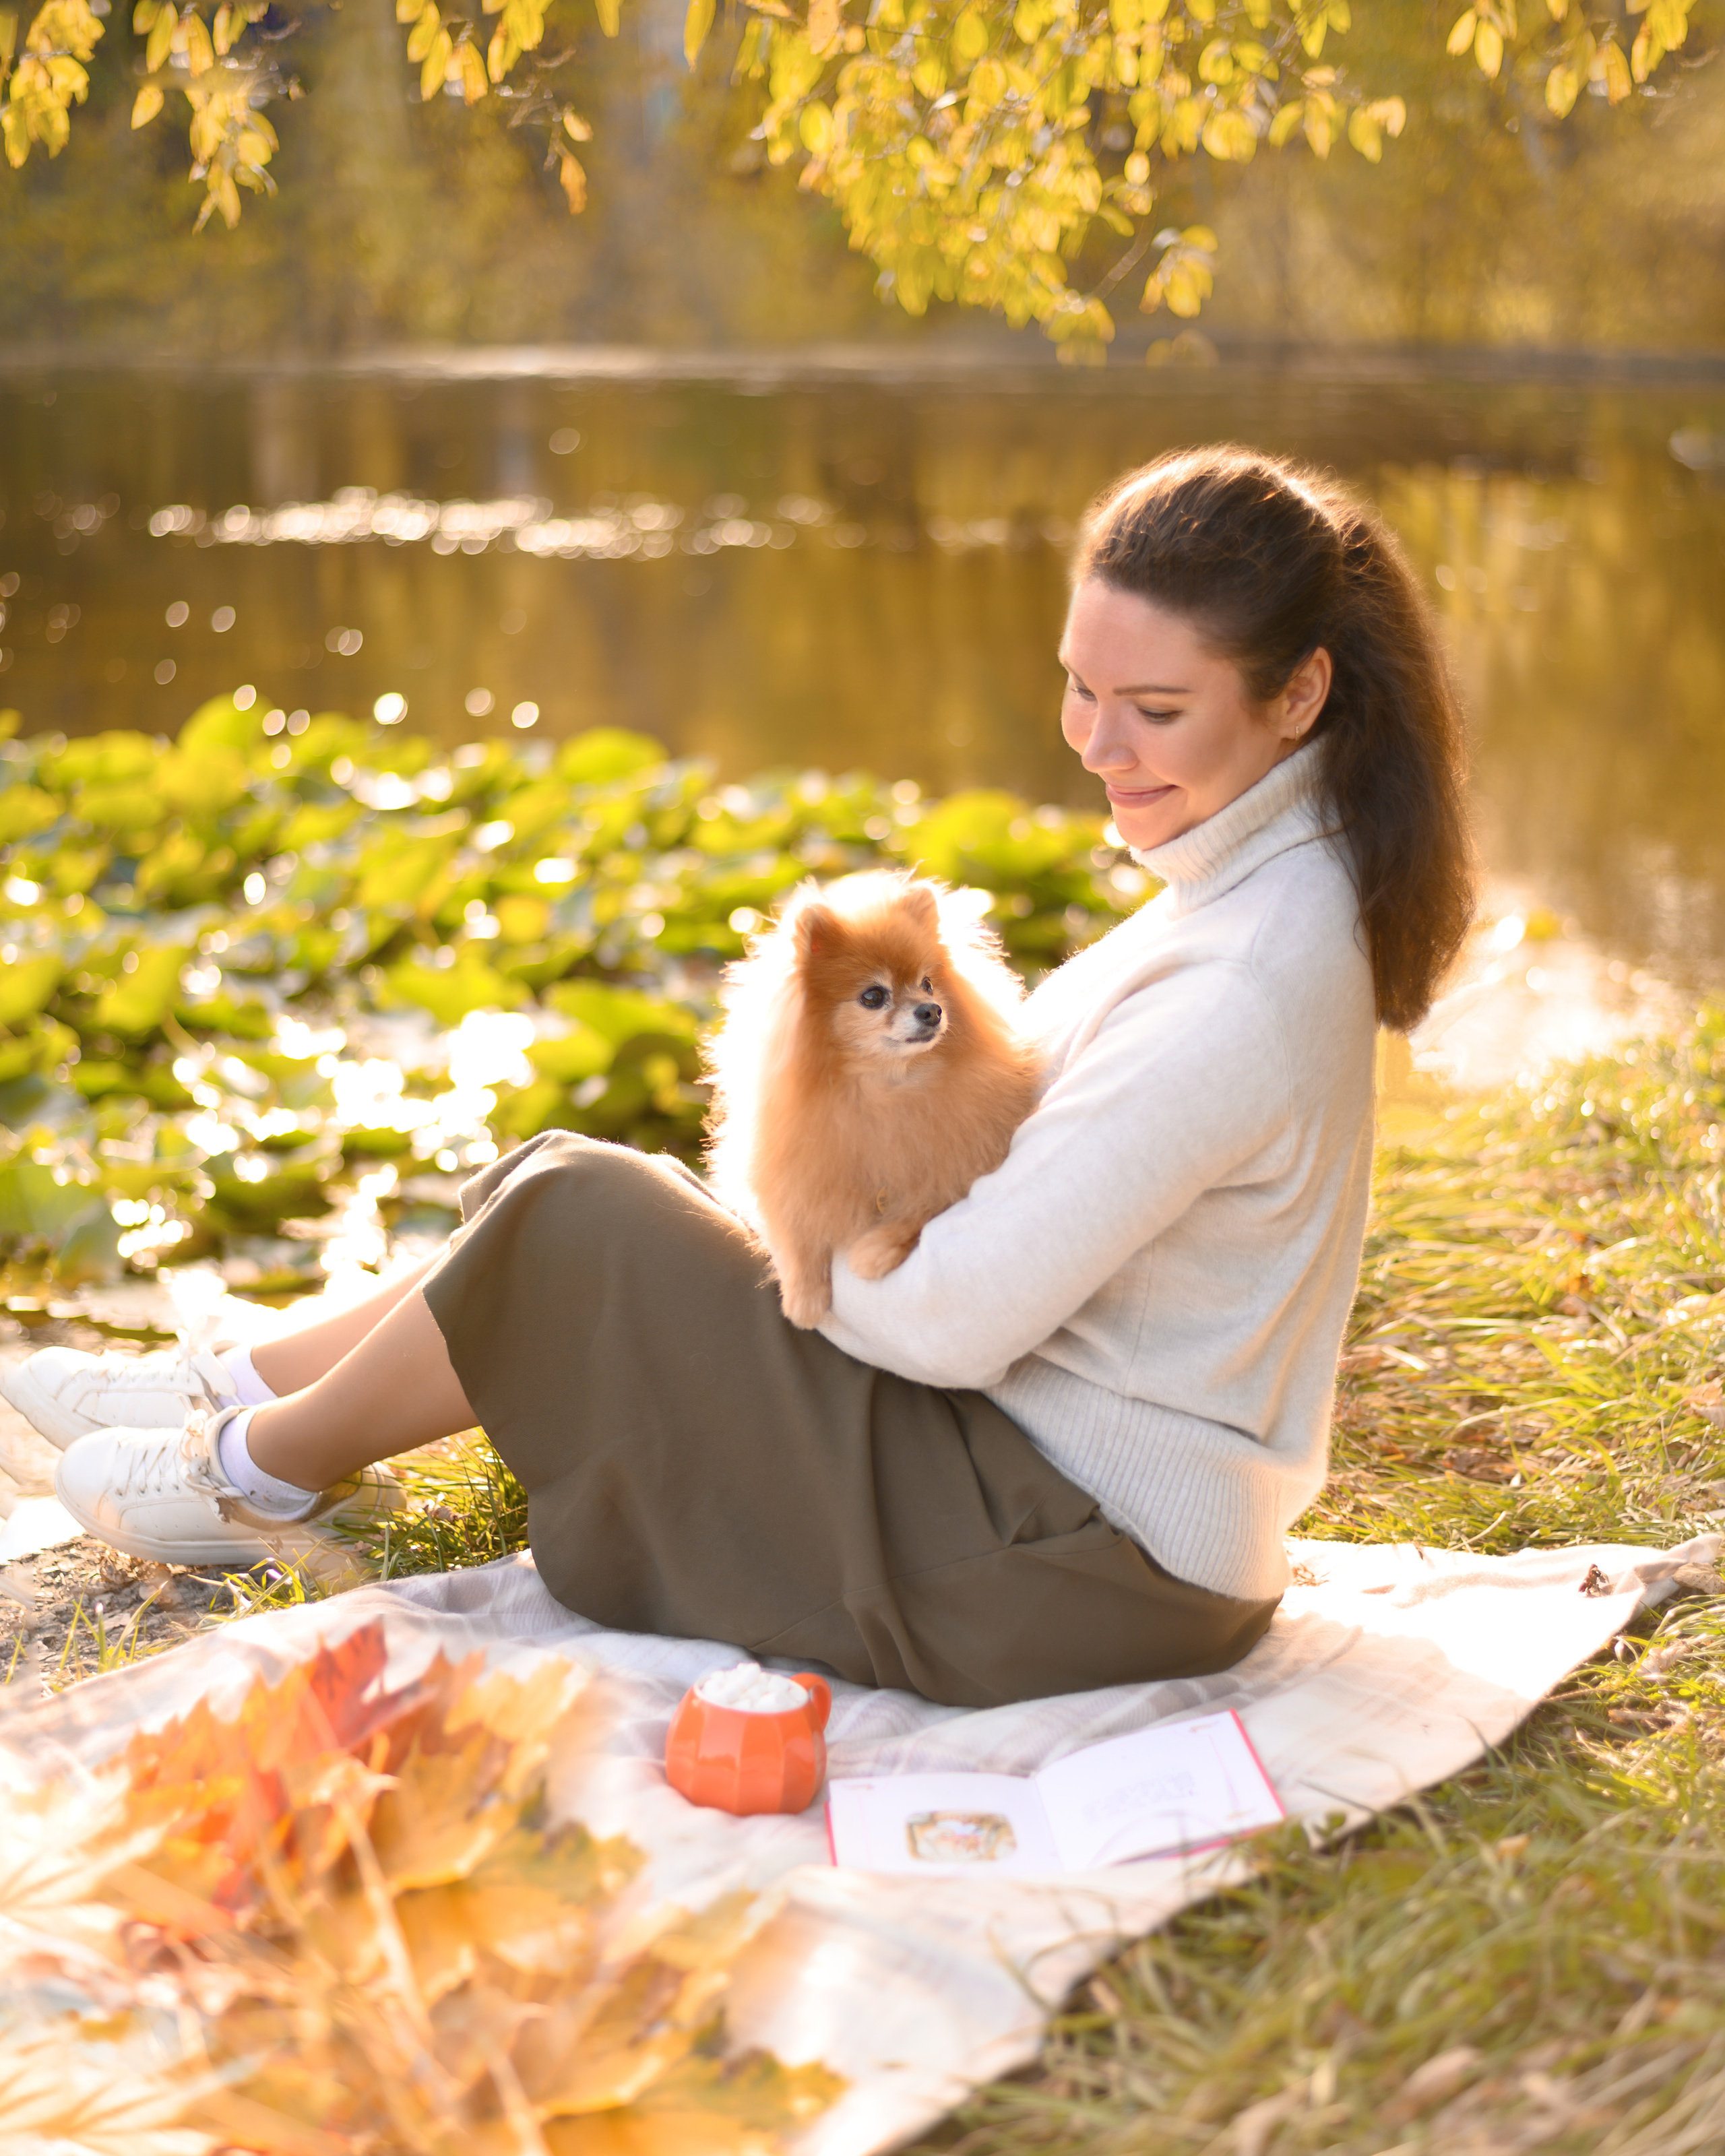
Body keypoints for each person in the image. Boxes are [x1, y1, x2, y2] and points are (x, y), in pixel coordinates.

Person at [11, 445, 1473, 1710]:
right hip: (1048, 1504)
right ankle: (234, 1381)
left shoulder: (1242, 975)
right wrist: (812, 1225)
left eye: (1154, 708)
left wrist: (800, 1267)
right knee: (567, 1182)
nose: (1097, 744)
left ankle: (250, 1475)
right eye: (1079, 689)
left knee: (583, 1215)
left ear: (1297, 697)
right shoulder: (1250, 884)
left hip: (1070, 1566)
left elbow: (960, 1317)